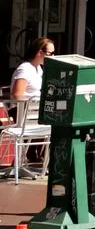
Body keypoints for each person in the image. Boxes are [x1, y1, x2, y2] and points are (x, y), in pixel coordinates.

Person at [9, 37, 53, 178]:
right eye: (50, 53)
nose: (52, 56)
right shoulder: (25, 69)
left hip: (37, 116)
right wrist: (34, 101)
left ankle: (45, 162)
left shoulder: (38, 69)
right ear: (40, 52)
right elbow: (17, 95)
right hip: (23, 116)